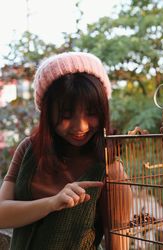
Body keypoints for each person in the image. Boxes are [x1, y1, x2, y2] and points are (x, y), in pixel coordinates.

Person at [0, 52, 132, 250]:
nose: (80, 126)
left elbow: (119, 242)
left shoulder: (110, 166)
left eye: (91, 113)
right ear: (48, 113)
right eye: (67, 115)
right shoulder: (29, 150)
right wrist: (52, 203)